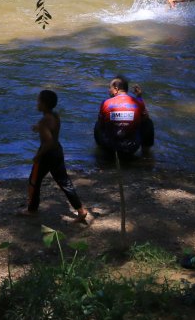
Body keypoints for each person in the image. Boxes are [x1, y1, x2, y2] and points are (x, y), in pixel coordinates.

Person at [19, 90, 91, 223]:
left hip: (47, 155)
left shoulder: (44, 121)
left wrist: (37, 155)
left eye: (39, 101)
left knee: (34, 181)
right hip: (58, 152)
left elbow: (49, 142)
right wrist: (39, 128)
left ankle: (32, 210)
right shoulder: (55, 115)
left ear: (45, 104)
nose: (37, 103)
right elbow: (51, 131)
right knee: (64, 182)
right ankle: (81, 210)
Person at [93, 76, 154, 158]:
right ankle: (146, 154)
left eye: (109, 88)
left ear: (116, 89)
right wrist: (139, 96)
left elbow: (101, 124)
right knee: (148, 123)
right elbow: (145, 119)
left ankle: (100, 152)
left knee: (98, 124)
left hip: (110, 147)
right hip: (131, 147)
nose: (108, 90)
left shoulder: (105, 103)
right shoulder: (138, 102)